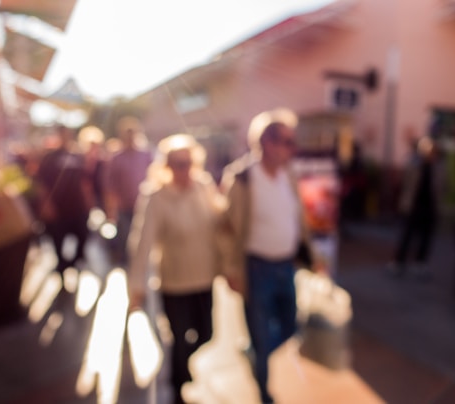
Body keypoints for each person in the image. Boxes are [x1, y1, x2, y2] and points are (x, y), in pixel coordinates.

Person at [219, 108, 321, 404]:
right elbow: (225, 229)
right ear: (266, 142)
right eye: (286, 141)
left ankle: (255, 356)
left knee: (291, 327)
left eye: (292, 141)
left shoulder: (289, 174)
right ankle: (263, 392)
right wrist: (231, 270)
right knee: (262, 337)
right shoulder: (242, 178)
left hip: (286, 266)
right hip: (256, 268)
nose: (291, 147)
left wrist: (312, 255)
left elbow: (298, 219)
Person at [127, 134, 225, 404]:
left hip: (204, 277)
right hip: (174, 281)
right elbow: (142, 243)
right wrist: (136, 287)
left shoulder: (204, 186)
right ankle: (177, 385)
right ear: (166, 166)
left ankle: (181, 368)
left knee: (206, 333)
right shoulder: (156, 197)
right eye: (177, 164)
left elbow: (221, 224)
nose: (184, 170)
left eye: (188, 163)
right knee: (179, 338)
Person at [35, 125, 94, 281]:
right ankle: (62, 268)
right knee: (57, 240)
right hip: (58, 207)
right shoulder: (49, 158)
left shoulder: (77, 156)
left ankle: (73, 262)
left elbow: (84, 181)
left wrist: (88, 201)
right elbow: (41, 184)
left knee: (83, 236)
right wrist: (46, 204)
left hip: (77, 206)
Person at [388, 135, 443, 279]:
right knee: (407, 234)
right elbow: (405, 182)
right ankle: (399, 262)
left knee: (426, 237)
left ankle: (420, 263)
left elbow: (441, 186)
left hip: (429, 206)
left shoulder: (437, 167)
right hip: (413, 205)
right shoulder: (414, 164)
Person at [102, 116, 153, 266]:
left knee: (144, 235)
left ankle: (142, 262)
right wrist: (110, 208)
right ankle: (129, 263)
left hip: (143, 204)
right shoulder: (116, 157)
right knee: (126, 236)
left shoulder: (146, 154)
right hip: (124, 206)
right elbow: (110, 185)